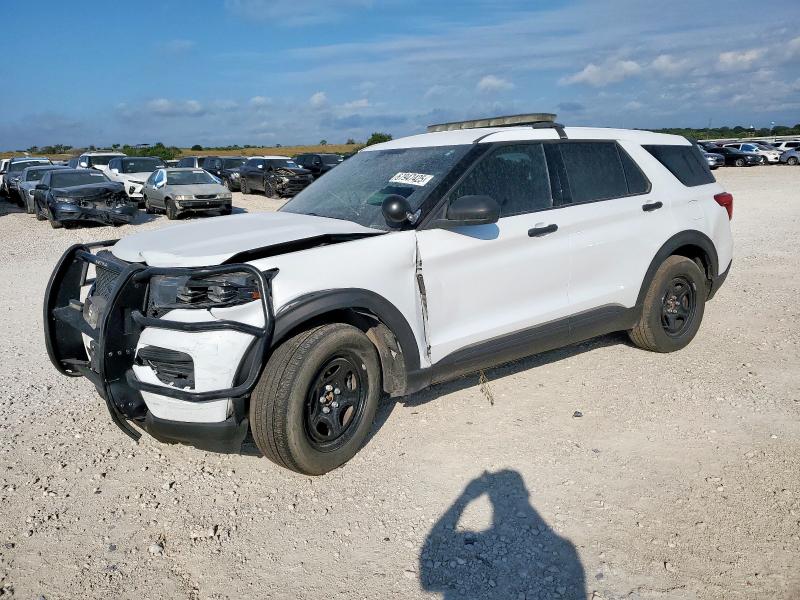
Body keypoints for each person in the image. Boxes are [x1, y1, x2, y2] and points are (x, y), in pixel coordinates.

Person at [420, 470, 586, 600]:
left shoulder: (564, 548)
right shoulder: (565, 548)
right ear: (526, 493)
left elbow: (428, 575)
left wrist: (464, 499)